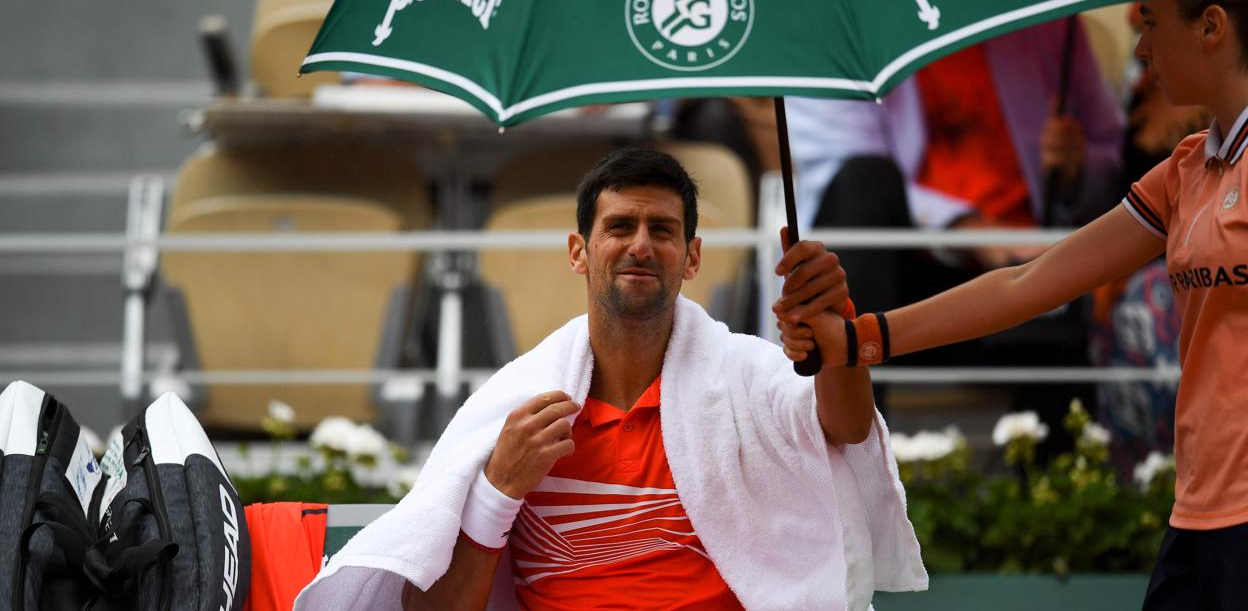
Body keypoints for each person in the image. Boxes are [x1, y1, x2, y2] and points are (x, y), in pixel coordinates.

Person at [777, 0, 1248, 609]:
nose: (1139, 49)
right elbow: (1027, 283)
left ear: (1211, 27)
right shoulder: (1184, 169)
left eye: (1150, 24)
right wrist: (856, 339)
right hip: (1200, 514)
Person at [294, 148, 927, 611]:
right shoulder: (517, 410)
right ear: (579, 251)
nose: (641, 246)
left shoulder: (746, 378)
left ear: (694, 256)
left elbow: (843, 427)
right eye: (620, 227)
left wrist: (834, 328)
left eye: (663, 230)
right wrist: (496, 491)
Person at [784, 17, 1125, 439]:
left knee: (1054, 292)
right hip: (905, 278)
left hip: (1033, 268)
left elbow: (1113, 163)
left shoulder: (1051, 23)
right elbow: (845, 174)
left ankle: (1060, 490)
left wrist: (1078, 169)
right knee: (862, 181)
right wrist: (970, 229)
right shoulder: (841, 33)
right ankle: (855, 444)